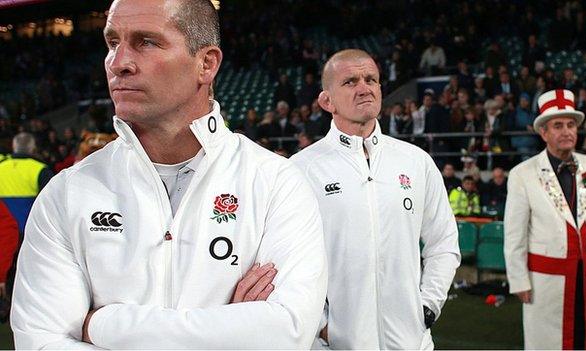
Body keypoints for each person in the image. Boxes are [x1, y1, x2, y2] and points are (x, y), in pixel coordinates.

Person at [10, 0, 327, 348]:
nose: (119, 63)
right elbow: (40, 343)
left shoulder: (276, 183)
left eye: (146, 42)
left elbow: (287, 333)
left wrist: (104, 324)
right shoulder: (68, 193)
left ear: (206, 64)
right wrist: (230, 332)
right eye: (113, 42)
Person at [291, 49, 460, 349]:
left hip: (412, 342)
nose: (364, 88)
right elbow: (285, 262)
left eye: (371, 79)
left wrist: (427, 306)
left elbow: (444, 242)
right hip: (335, 345)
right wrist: (322, 327)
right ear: (326, 101)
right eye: (350, 81)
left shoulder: (416, 161)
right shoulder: (301, 170)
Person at [504, 89, 586, 349]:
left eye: (570, 125)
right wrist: (519, 279)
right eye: (557, 125)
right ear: (543, 133)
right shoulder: (522, 174)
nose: (566, 131)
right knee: (549, 342)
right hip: (546, 280)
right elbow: (515, 234)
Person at [0, 132, 54, 236]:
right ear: (33, 148)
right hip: (32, 232)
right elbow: (52, 204)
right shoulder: (41, 169)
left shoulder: (1, 167)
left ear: (14, 146)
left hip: (5, 232)